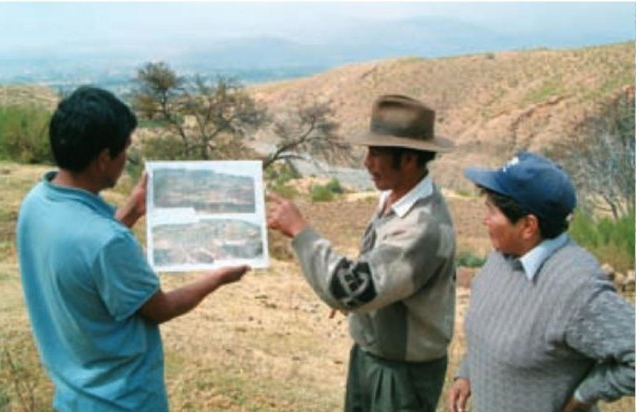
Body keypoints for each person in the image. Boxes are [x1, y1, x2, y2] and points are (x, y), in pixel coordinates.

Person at [16, 86, 250, 411]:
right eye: (124, 150)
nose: (126, 160)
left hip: (72, 395)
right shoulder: (108, 241)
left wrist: (129, 213)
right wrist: (217, 277)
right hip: (121, 400)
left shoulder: (36, 203)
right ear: (102, 160)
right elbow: (159, 308)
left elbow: (85, 258)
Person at [268, 94, 457, 412]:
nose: (367, 163)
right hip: (376, 360)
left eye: (376, 153)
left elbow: (352, 290)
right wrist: (361, 303)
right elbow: (372, 275)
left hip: (400, 375)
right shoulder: (395, 197)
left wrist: (301, 233)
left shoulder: (422, 227)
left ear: (409, 160)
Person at [447, 151, 635, 412]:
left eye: (492, 210)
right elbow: (489, 325)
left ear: (528, 226)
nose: (484, 219)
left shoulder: (575, 287)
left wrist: (585, 395)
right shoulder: (500, 258)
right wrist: (468, 372)